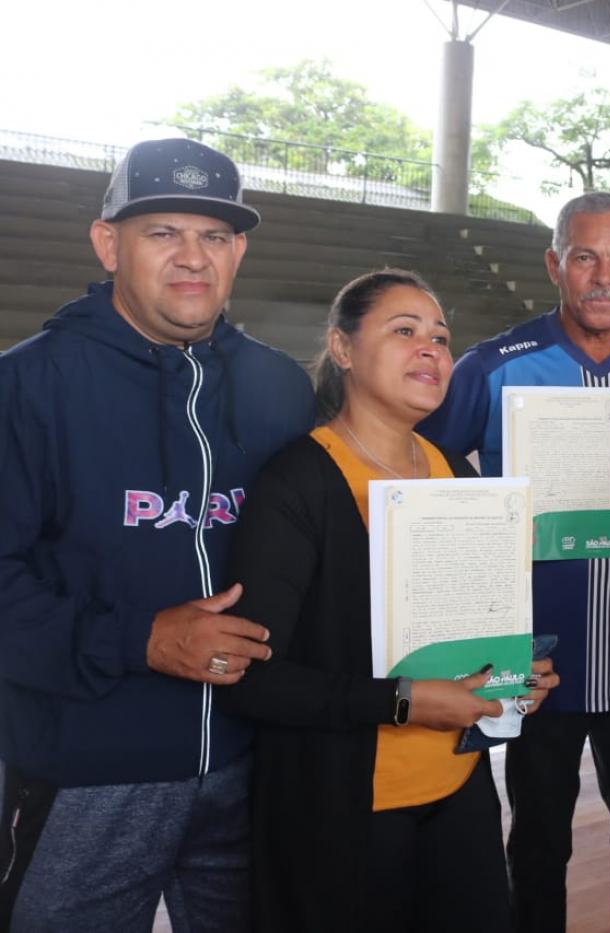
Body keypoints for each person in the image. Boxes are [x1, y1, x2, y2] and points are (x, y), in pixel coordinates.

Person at [0, 138, 314, 930]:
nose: (193, 258)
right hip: (90, 767)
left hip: (251, 762)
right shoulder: (28, 384)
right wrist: (139, 640)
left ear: (238, 249)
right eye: (162, 232)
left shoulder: (279, 387)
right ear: (109, 242)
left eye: (214, 235)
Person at [217, 269, 560, 931]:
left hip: (456, 798)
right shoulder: (299, 481)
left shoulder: (456, 474)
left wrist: (512, 679)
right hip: (341, 814)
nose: (431, 348)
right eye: (404, 331)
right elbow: (251, 680)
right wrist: (402, 699)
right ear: (342, 349)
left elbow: (471, 634)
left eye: (440, 336)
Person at [419, 192, 610, 932]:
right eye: (584, 257)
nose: (602, 275)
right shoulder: (495, 367)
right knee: (537, 844)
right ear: (555, 265)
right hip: (533, 663)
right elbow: (426, 482)